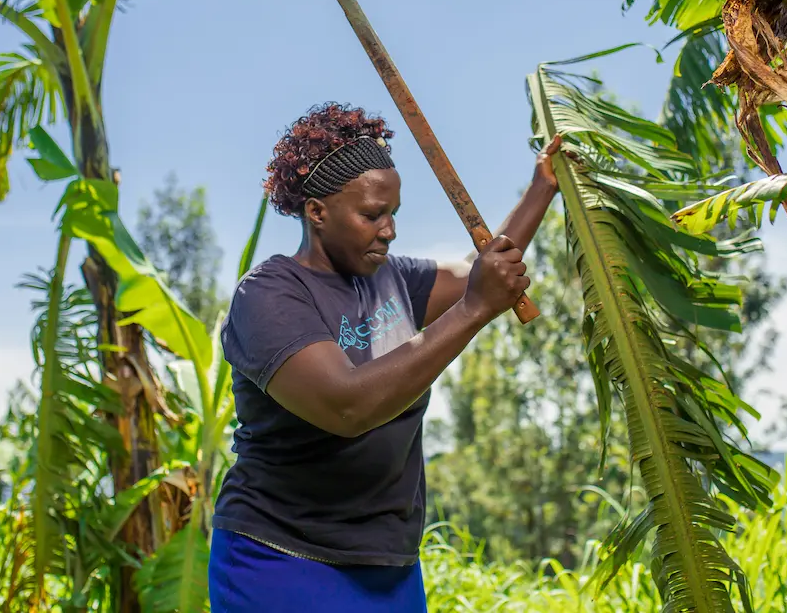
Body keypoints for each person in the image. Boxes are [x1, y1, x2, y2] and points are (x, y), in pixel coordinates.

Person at [209, 102, 562, 612]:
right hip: (281, 558)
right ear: (317, 211)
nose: (389, 230)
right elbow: (347, 407)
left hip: (388, 566)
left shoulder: (390, 277)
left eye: (393, 213)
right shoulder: (269, 295)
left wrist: (541, 188)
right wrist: (475, 311)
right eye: (372, 215)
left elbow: (480, 274)